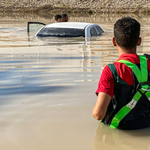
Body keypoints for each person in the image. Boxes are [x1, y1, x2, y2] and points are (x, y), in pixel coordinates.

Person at [92, 17, 150, 130]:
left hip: (122, 130)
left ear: (114, 41)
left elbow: (98, 114)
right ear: (139, 41)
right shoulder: (149, 61)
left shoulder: (111, 71)